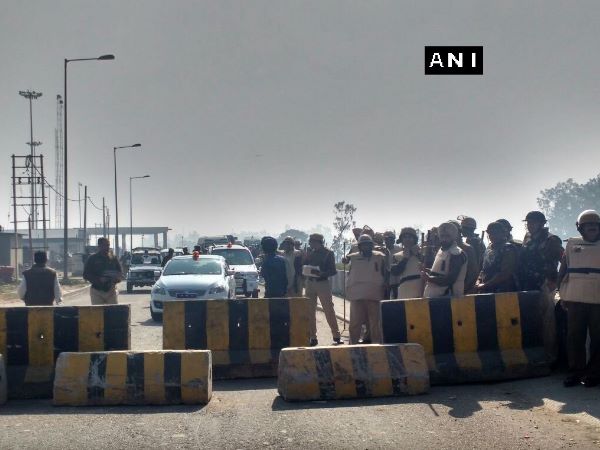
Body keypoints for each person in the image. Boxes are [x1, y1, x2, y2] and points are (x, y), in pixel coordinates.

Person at [558, 210, 600, 387]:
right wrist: (562, 294)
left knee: (598, 338)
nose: (592, 228)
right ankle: (576, 372)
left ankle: (594, 374)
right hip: (575, 299)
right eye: (588, 225)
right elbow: (563, 270)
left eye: (595, 225)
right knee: (575, 337)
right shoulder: (571, 244)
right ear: (580, 228)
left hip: (598, 300)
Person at [346, 234, 387, 344]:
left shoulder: (380, 257)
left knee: (375, 324)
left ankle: (376, 346)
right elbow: (349, 274)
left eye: (368, 244)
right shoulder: (353, 257)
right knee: (355, 323)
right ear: (359, 246)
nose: (366, 247)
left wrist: (385, 290)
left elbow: (385, 274)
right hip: (357, 294)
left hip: (374, 294)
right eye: (363, 245)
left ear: (371, 245)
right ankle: (352, 346)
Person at [303, 233, 341, 346]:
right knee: (309, 310)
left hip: (322, 283)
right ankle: (312, 337)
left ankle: (336, 335)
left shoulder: (328, 253)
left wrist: (322, 273)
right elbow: (304, 265)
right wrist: (306, 258)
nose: (310, 243)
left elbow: (333, 270)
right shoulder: (310, 252)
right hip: (310, 282)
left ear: (318, 242)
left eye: (312, 241)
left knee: (328, 309)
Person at [422, 222, 467, 297]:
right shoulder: (442, 250)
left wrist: (429, 278)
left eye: (447, 236)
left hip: (448, 297)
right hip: (436, 296)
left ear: (453, 237)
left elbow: (450, 279)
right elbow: (440, 272)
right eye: (442, 236)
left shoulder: (456, 253)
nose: (444, 239)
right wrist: (428, 271)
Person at [476, 222, 518, 293]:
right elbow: (483, 269)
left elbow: (505, 273)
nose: (492, 236)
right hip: (487, 289)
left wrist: (485, 285)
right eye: (490, 233)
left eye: (495, 233)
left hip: (504, 291)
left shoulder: (508, 248)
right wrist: (478, 281)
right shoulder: (488, 248)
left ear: (502, 233)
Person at [83, 237, 123, 305]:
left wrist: (116, 278)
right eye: (104, 245)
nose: (107, 247)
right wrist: (99, 279)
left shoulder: (113, 258)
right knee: (98, 311)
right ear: (99, 246)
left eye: (108, 245)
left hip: (111, 290)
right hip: (97, 291)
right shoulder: (92, 258)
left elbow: (120, 273)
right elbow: (86, 275)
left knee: (113, 310)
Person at [391, 227, 424, 299]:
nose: (407, 239)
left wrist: (417, 254)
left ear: (414, 239)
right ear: (401, 240)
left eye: (410, 237)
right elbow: (395, 272)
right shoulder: (396, 256)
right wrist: (405, 258)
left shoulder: (422, 253)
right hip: (404, 290)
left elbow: (429, 266)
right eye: (405, 237)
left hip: (421, 288)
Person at [451, 220, 479, 294]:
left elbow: (473, 272)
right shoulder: (447, 249)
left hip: (463, 290)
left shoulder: (467, 248)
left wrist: (464, 288)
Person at [383, 230, 402, 299]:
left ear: (393, 240)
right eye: (386, 239)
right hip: (386, 279)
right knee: (386, 299)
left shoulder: (399, 249)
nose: (388, 241)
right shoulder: (381, 250)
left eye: (391, 239)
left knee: (397, 299)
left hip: (398, 279)